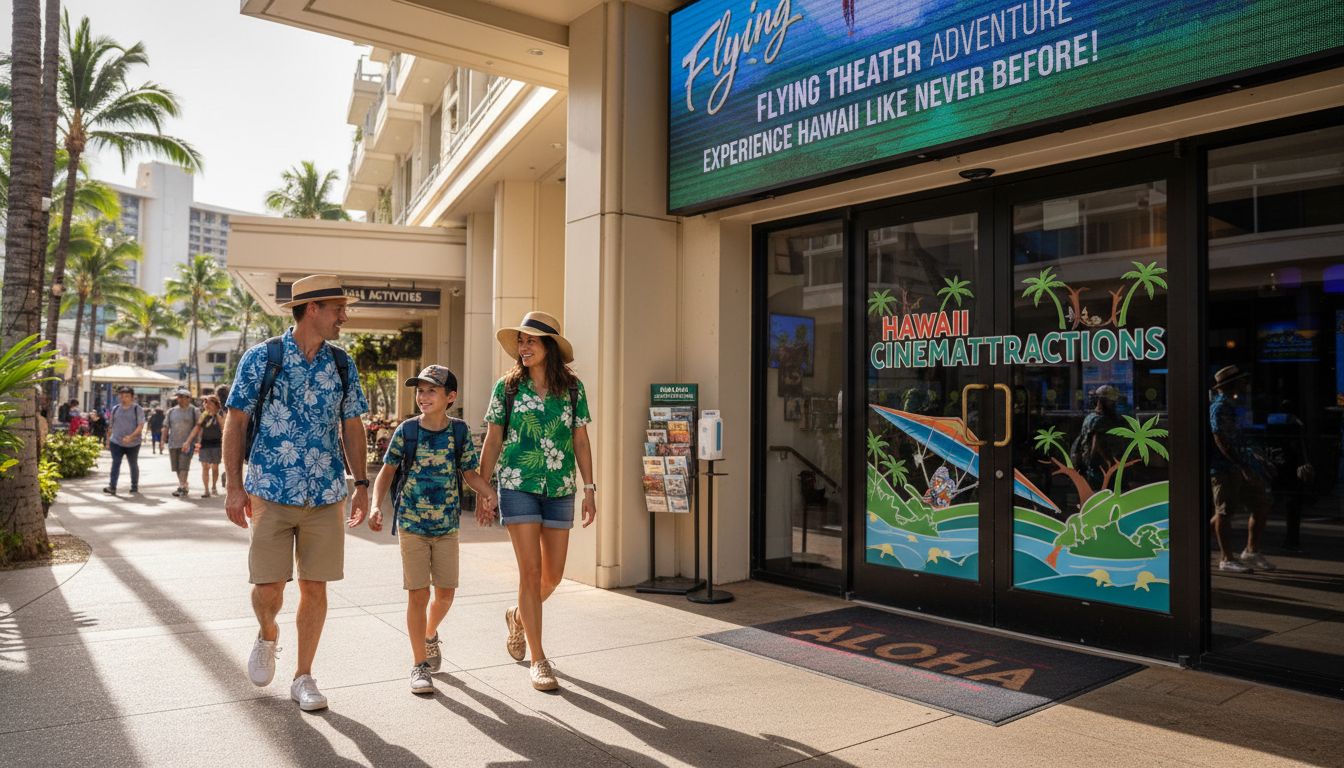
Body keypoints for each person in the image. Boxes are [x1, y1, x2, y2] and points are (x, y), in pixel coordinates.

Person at [222, 274, 369, 712]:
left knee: (315, 587)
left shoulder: (342, 363)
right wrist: (233, 486)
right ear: (312, 310)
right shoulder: (261, 357)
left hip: (325, 493)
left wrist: (360, 485)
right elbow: (236, 421)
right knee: (268, 588)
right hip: (269, 488)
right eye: (337, 308)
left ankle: (303, 676)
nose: (344, 316)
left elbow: (352, 426)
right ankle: (268, 634)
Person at [479, 311, 596, 692]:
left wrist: (590, 488)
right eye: (521, 341)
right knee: (529, 573)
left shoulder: (573, 389)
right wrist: (483, 489)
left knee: (553, 575)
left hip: (561, 487)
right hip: (517, 483)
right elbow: (493, 439)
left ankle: (518, 615)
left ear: (549, 347)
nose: (523, 347)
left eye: (530, 341)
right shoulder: (507, 388)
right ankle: (539, 658)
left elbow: (580, 440)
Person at [367, 365, 497, 695]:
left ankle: (429, 634)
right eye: (420, 390)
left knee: (445, 594)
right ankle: (419, 664)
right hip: (411, 523)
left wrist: (488, 492)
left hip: (447, 525)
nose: (423, 397)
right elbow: (386, 472)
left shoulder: (459, 432)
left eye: (431, 391)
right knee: (418, 594)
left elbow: (469, 472)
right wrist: (374, 505)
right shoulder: (407, 430)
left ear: (450, 397)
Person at [1209, 365, 1275, 573]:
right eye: (1242, 380)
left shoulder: (1233, 405)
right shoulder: (1219, 407)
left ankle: (1251, 551)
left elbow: (1240, 437)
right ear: (1231, 384)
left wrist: (1259, 459)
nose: (1245, 384)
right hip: (1224, 468)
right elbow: (1221, 440)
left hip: (1241, 466)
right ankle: (1226, 558)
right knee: (1224, 512)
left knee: (1260, 504)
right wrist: (1242, 466)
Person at [1071, 385, 1124, 489]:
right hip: (1101, 469)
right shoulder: (1101, 420)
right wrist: (1110, 463)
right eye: (1111, 401)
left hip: (1088, 467)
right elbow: (1097, 444)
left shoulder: (1089, 417)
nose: (1113, 404)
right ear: (1102, 401)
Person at [103, 386, 145, 496]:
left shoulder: (137, 409)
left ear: (132, 397)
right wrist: (108, 440)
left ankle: (134, 486)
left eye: (126, 396)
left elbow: (140, 426)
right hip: (116, 442)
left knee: (133, 464)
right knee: (116, 463)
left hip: (133, 443)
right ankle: (112, 486)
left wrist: (131, 437)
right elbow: (111, 426)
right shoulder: (115, 409)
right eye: (121, 395)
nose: (123, 398)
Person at [184, 395, 224, 498]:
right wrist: (188, 441)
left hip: (216, 444)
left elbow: (224, 430)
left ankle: (214, 486)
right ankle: (206, 490)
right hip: (205, 444)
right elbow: (196, 428)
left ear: (215, 405)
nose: (207, 405)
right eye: (206, 403)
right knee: (205, 467)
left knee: (215, 467)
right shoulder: (203, 416)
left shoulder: (219, 415)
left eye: (210, 403)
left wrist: (216, 415)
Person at [164, 388, 199, 497]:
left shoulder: (194, 411)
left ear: (189, 398)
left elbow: (199, 427)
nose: (180, 399)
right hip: (173, 443)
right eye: (178, 397)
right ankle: (183, 484)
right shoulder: (171, 411)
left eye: (182, 397)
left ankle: (182, 487)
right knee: (177, 467)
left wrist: (195, 442)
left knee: (184, 465)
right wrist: (162, 441)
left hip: (188, 444)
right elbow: (166, 427)